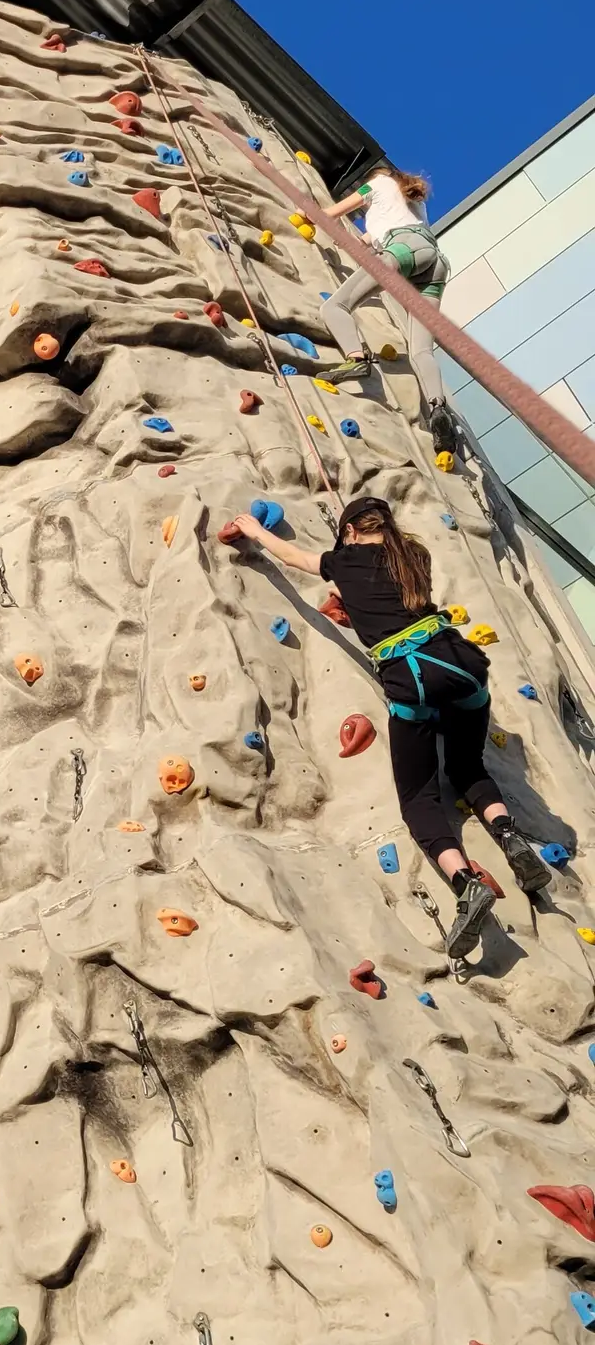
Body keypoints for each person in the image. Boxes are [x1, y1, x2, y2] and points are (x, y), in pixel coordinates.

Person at [225, 493, 552, 956]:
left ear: (351, 532)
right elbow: (389, 593)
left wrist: (255, 532)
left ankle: (466, 885)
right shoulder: (413, 556)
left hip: (413, 680)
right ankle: (509, 837)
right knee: (467, 766)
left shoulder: (343, 559)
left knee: (420, 797)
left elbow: (296, 558)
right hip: (463, 665)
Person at [316, 166, 450, 416]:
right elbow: (362, 242)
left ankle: (356, 359)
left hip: (403, 247)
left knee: (334, 306)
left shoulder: (376, 185)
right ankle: (438, 408)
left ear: (375, 177)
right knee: (421, 350)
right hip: (434, 263)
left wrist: (308, 211)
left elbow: (330, 213)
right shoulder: (411, 203)